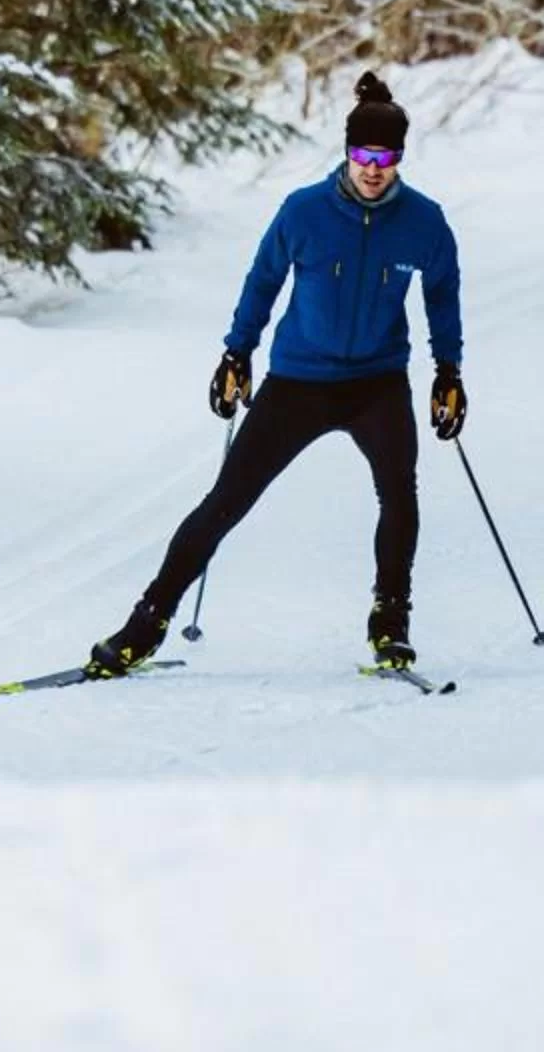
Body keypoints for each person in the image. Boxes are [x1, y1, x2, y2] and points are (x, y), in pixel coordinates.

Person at [87, 71, 466, 677]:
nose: (373, 168)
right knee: (226, 500)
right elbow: (263, 281)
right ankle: (146, 624)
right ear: (347, 152)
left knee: (400, 496)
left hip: (377, 381)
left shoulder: (423, 221)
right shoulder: (304, 212)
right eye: (364, 155)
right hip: (299, 381)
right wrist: (237, 353)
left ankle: (390, 624)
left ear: (400, 157)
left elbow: (443, 294)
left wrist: (449, 369)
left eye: (386, 157)